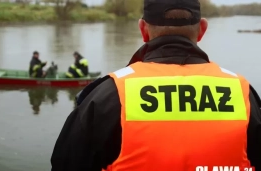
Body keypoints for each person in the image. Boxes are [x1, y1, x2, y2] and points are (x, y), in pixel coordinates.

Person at [51, 0, 261, 170]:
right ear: (202, 29)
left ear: (143, 29)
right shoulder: (243, 93)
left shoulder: (108, 94)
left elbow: (66, 163)